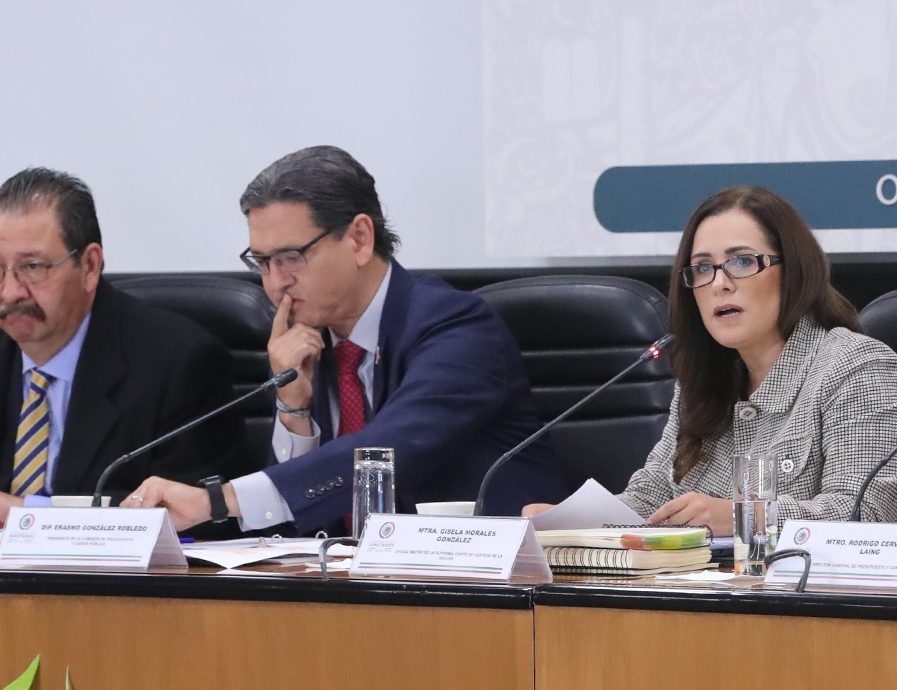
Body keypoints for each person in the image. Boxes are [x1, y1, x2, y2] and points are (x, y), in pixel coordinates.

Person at [124, 146, 571, 531]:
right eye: (261, 262)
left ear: (359, 239)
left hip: (497, 582)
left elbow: (384, 455)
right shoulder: (309, 345)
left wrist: (216, 501)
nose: (276, 283)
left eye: (290, 257)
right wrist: (294, 411)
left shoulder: (457, 327)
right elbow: (288, 524)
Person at [525, 184, 897, 533]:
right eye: (702, 268)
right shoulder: (704, 381)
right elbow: (651, 498)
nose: (719, 283)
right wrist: (569, 519)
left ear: (794, 271)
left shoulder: (858, 367)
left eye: (742, 261)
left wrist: (741, 517)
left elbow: (867, 517)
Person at [0, 169, 233, 528]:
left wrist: (27, 514)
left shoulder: (177, 361)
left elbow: (193, 516)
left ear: (89, 266)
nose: (10, 292)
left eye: (33, 267)